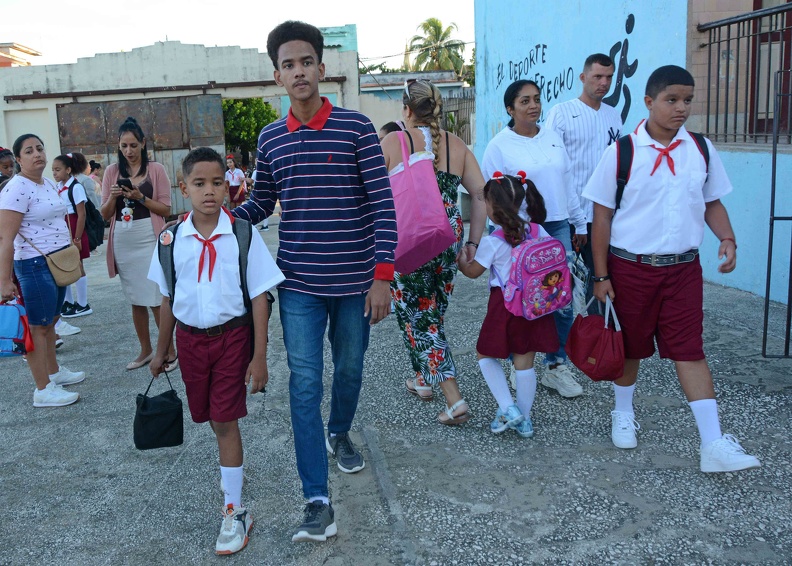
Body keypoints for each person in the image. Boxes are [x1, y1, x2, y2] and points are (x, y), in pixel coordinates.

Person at [231, 21, 397, 543]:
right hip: (298, 284)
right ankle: (316, 500)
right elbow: (261, 203)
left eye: (306, 62)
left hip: (355, 284)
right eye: (288, 64)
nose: (298, 71)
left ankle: (340, 431)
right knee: (304, 384)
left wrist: (382, 277)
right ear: (277, 75)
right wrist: (211, 217)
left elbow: (383, 206)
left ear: (322, 69)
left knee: (348, 371)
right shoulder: (270, 137)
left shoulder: (356, 128)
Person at [583, 65, 761, 473]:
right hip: (631, 268)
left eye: (687, 101)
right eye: (672, 100)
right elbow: (602, 215)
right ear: (649, 102)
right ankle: (623, 413)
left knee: (690, 350)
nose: (681, 108)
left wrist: (727, 239)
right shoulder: (623, 152)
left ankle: (712, 444)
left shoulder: (700, 149)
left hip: (683, 270)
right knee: (631, 347)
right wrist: (601, 275)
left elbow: (712, 200)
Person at [148, 147, 284, 555]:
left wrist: (259, 357)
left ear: (229, 185)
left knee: (225, 421)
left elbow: (260, 297)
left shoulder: (242, 234)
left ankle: (234, 509)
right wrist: (161, 348)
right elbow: (168, 297)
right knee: (208, 416)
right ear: (183, 187)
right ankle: (232, 473)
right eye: (200, 183)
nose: (210, 191)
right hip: (190, 342)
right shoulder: (171, 239)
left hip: (232, 340)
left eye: (217, 182)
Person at [380, 79, 486, 425]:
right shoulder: (456, 145)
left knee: (421, 318)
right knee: (431, 313)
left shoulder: (394, 141)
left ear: (406, 109)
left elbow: (369, 196)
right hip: (449, 237)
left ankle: (454, 400)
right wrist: (472, 242)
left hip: (411, 237)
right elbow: (480, 195)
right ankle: (424, 379)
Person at [481, 79, 587, 399]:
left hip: (555, 229)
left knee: (560, 299)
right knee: (522, 302)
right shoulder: (499, 146)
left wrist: (578, 223)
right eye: (524, 101)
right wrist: (506, 233)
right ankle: (520, 363)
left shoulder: (553, 138)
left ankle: (556, 366)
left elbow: (567, 183)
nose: (533, 106)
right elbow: (492, 196)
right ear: (510, 109)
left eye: (537, 99)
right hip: (519, 232)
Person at [457, 173, 559, 438]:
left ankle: (508, 408)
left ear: (494, 208)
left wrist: (461, 259)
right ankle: (523, 420)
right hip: (536, 307)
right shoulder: (539, 230)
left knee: (485, 355)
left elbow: (472, 273)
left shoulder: (494, 242)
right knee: (525, 362)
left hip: (505, 305)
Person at [0, 134, 84, 407]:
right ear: (18, 159)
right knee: (37, 327)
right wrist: (4, 280)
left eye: (39, 148)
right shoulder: (16, 189)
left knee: (50, 323)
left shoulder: (47, 183)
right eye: (28, 151)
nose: (37, 154)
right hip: (34, 265)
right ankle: (42, 390)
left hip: (58, 261)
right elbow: (6, 239)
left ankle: (54, 373)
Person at [545, 53, 622, 313]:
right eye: (598, 76)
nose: (604, 82)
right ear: (583, 77)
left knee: (599, 281)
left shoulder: (614, 116)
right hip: (568, 216)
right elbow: (550, 164)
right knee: (560, 285)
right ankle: (559, 347)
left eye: (609, 77)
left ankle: (595, 344)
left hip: (602, 215)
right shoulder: (562, 113)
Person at [101, 117, 177, 371]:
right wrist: (114, 197)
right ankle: (145, 350)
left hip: (149, 236)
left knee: (156, 296)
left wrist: (139, 197)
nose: (129, 151)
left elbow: (166, 208)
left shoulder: (156, 170)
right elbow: (104, 213)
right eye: (124, 146)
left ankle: (169, 351)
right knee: (135, 298)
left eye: (133, 145)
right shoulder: (112, 171)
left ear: (143, 143)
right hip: (123, 237)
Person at [52, 154, 92, 318]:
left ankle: (83, 304)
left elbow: (81, 214)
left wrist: (76, 238)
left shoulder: (76, 187)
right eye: (53, 170)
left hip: (74, 227)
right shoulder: (58, 187)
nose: (54, 173)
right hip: (62, 228)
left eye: (58, 169)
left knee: (77, 264)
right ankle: (68, 301)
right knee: (63, 264)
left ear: (68, 170)